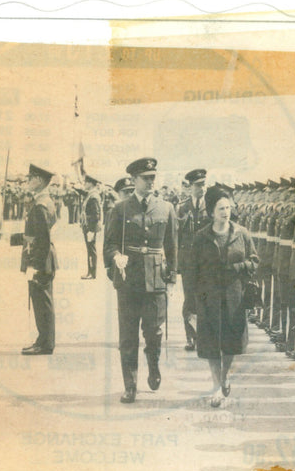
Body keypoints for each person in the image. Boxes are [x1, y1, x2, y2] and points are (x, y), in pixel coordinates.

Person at [103, 158, 178, 404]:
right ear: (134, 180)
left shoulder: (165, 208)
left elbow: (172, 246)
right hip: (128, 279)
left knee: (154, 332)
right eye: (145, 178)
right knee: (128, 335)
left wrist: (172, 276)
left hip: (156, 278)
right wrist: (116, 257)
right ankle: (130, 384)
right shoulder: (120, 209)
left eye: (152, 177)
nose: (150, 182)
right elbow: (110, 243)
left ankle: (153, 365)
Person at [185, 186, 259, 408]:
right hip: (208, 297)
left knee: (230, 342)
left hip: (234, 297)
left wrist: (237, 267)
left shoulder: (242, 233)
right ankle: (217, 385)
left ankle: (225, 374)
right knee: (210, 343)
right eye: (220, 208)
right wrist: (191, 301)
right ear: (210, 212)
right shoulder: (200, 237)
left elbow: (255, 262)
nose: (226, 212)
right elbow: (191, 271)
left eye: (228, 207)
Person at [10, 164, 59, 355]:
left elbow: (42, 241)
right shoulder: (43, 202)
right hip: (42, 260)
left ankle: (45, 344)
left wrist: (35, 266)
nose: (27, 181)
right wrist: (10, 238)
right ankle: (43, 340)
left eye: (30, 178)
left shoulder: (40, 205)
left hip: (41, 261)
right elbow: (34, 235)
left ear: (39, 180)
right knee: (41, 302)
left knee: (42, 304)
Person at [177, 168, 209, 351]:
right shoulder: (182, 207)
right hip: (189, 264)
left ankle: (204, 336)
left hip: (206, 264)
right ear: (190, 187)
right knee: (189, 300)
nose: (201, 188)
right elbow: (177, 237)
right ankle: (191, 337)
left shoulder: (211, 207)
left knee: (205, 298)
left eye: (203, 184)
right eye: (198, 185)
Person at [80, 174, 102, 279]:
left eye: (86, 183)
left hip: (90, 227)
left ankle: (92, 273)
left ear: (90, 184)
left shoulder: (93, 196)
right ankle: (90, 272)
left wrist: (91, 230)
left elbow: (96, 215)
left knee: (91, 250)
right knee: (90, 249)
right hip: (88, 226)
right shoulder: (91, 194)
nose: (84, 184)